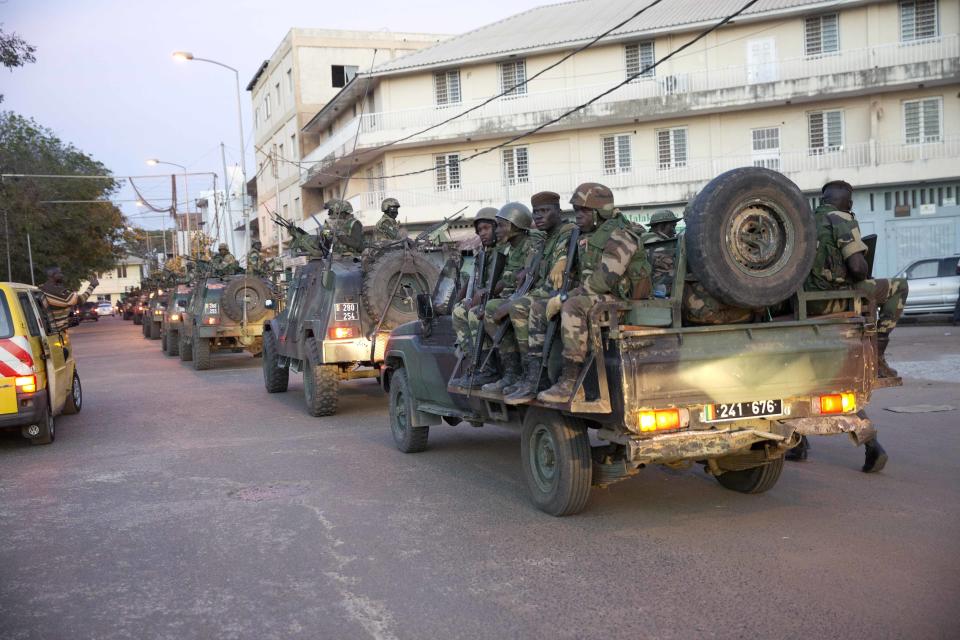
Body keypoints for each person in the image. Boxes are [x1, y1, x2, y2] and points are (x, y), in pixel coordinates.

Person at [788, 179, 907, 472]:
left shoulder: (800, 222)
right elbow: (856, 268)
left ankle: (799, 443)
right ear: (849, 204)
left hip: (800, 303)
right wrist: (862, 264)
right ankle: (879, 352)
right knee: (899, 287)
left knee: (812, 381)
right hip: (835, 299)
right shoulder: (842, 219)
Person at [538, 183, 652, 404]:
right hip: (603, 298)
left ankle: (570, 383)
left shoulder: (621, 235)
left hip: (624, 301)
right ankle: (538, 374)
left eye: (584, 210)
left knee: (573, 305)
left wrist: (565, 298)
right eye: (577, 210)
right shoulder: (588, 234)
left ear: (601, 212)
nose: (578, 215)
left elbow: (604, 280)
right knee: (539, 306)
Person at [500, 191, 578, 403]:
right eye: (536, 212)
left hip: (562, 290)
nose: (539, 216)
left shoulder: (567, 231)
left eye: (545, 211)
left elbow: (564, 255)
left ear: (559, 212)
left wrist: (561, 261)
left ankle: (535, 376)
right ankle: (526, 374)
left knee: (520, 307)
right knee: (509, 306)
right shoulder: (545, 238)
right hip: (545, 289)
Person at [477, 202, 545, 393]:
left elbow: (529, 280)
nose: (497, 230)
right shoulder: (510, 248)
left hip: (532, 296)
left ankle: (529, 374)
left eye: (501, 225)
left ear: (516, 225)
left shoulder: (532, 244)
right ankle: (511, 372)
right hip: (516, 295)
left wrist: (510, 303)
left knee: (511, 309)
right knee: (489, 309)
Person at [449, 208, 500, 387]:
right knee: (459, 311)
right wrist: (467, 298)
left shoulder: (504, 250)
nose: (483, 233)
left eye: (487, 228)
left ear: (497, 227)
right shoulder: (483, 254)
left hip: (500, 300)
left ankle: (488, 370)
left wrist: (485, 292)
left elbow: (508, 280)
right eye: (480, 230)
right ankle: (476, 365)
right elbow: (476, 281)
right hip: (487, 298)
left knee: (474, 313)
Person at [40, 266, 99, 331]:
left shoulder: (43, 288)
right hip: (55, 331)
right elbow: (80, 300)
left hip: (51, 330)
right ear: (52, 275)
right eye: (60, 273)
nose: (62, 275)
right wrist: (92, 286)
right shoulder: (57, 291)